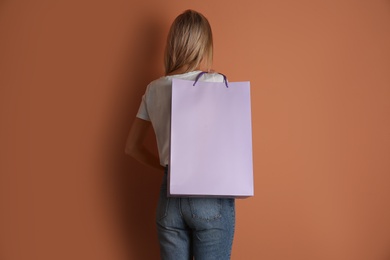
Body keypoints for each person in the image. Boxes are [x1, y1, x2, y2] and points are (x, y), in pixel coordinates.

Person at [125, 9, 235, 260]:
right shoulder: (216, 83)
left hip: (169, 199)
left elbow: (131, 147)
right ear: (203, 45)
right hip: (209, 197)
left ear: (173, 44)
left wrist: (169, 169)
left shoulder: (153, 89)